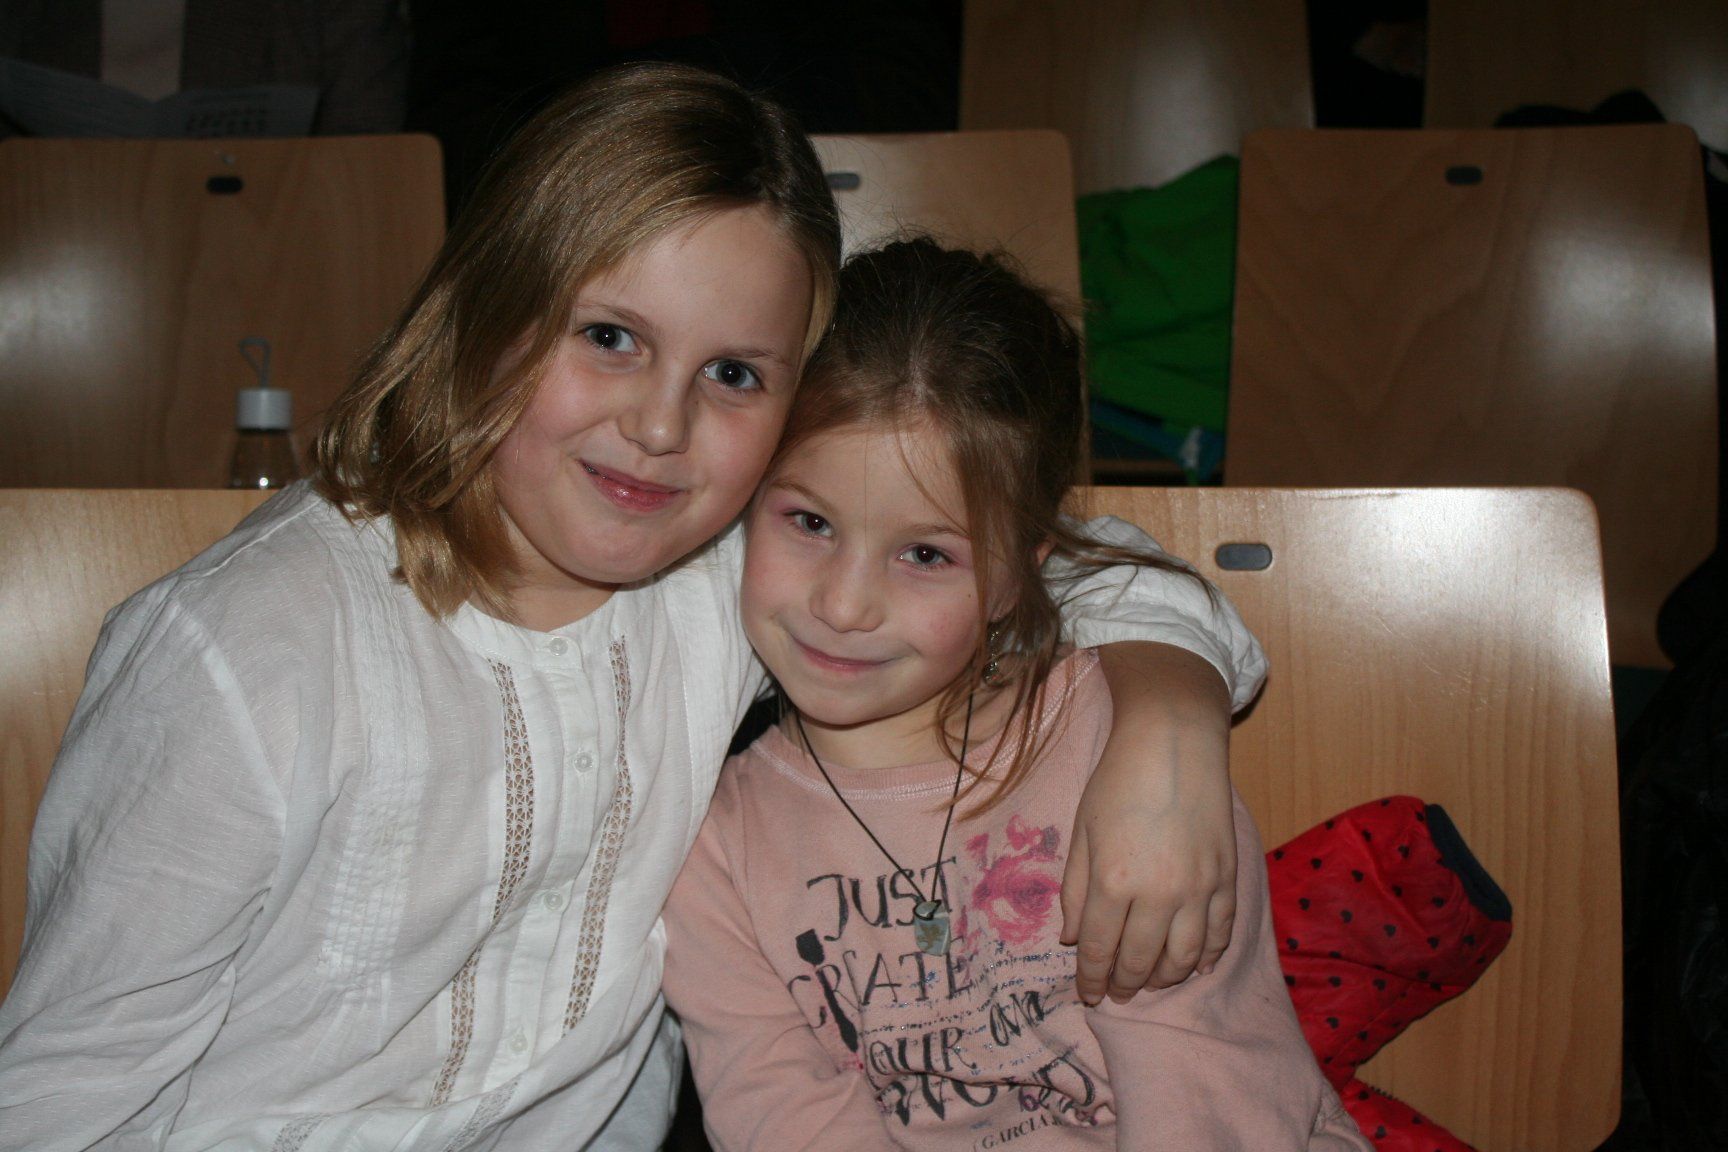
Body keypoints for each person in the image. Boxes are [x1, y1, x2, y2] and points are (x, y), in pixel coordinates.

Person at [0, 67, 1262, 1149]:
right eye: (609, 337)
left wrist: (1165, 730)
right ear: (489, 307)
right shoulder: (250, 647)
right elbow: (63, 1096)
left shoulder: (733, 568)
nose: (661, 427)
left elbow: (1050, 556)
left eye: (734, 373)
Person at [661, 239, 1364, 1149]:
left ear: (1014, 576)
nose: (843, 604)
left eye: (926, 554)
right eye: (809, 521)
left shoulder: (1119, 747)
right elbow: (781, 1111)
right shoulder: (708, 841)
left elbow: (1205, 1067)